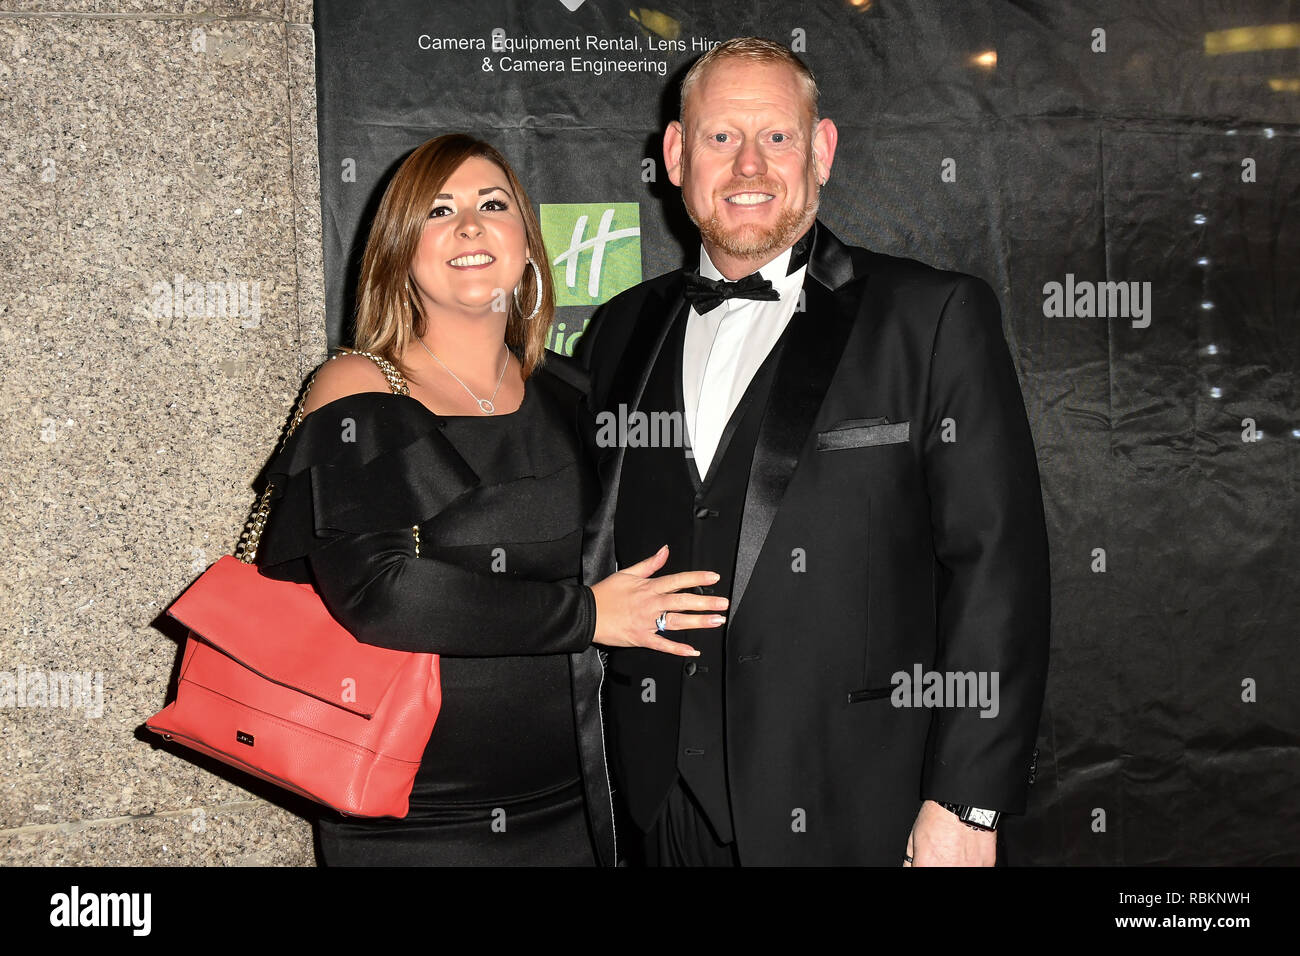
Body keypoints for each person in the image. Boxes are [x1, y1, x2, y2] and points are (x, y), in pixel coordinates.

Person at [575, 38, 1051, 866]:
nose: (750, 165)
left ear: (822, 151)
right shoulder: (621, 329)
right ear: (677, 157)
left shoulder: (932, 317)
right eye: (721, 138)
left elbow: (997, 571)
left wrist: (967, 805)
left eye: (778, 138)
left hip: (856, 803)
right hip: (657, 808)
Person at [252, 133, 726, 866]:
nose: (470, 225)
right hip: (410, 813)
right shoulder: (359, 387)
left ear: (528, 245)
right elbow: (382, 592)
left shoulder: (575, 394)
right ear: (400, 251)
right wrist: (592, 615)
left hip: (580, 797)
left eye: (492, 204)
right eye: (439, 210)